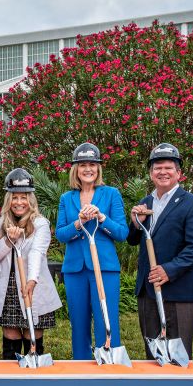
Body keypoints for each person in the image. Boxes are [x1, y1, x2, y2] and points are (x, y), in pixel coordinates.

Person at [127, 143, 193, 359]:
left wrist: (169, 270)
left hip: (180, 289)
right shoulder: (145, 202)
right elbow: (133, 240)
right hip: (148, 288)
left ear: (178, 173)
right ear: (151, 173)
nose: (162, 172)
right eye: (157, 168)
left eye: (168, 167)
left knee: (178, 353)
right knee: (153, 353)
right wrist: (136, 222)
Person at [55, 142, 128, 360]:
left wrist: (101, 217)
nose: (88, 169)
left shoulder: (111, 194)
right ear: (75, 169)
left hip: (105, 268)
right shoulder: (66, 198)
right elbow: (60, 234)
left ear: (98, 168)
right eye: (83, 165)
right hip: (75, 269)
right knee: (78, 322)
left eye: (93, 165)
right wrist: (78, 223)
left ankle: (109, 364)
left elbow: (122, 233)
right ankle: (81, 366)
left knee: (107, 319)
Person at [0, 168, 62, 359]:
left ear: (31, 200)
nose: (19, 202)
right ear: (8, 199)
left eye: (24, 197)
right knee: (10, 341)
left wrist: (32, 280)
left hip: (31, 287)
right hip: (9, 288)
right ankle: (9, 381)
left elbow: (37, 253)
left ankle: (34, 378)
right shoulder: (2, 223)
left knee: (32, 338)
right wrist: (7, 241)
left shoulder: (40, 224)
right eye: (14, 197)